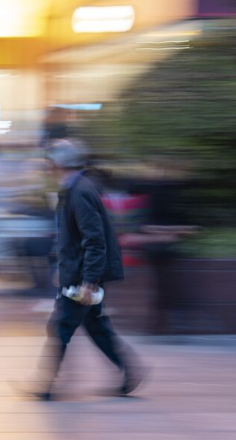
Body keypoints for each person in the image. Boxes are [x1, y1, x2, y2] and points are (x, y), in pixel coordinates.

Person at [34, 139, 142, 401]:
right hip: (78, 273)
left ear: (58, 163)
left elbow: (94, 240)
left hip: (85, 276)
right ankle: (129, 370)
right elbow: (72, 238)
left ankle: (45, 386)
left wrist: (89, 281)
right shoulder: (72, 188)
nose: (45, 166)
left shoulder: (79, 191)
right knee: (95, 325)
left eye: (48, 161)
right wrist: (65, 268)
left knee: (59, 326)